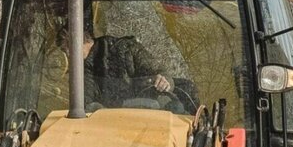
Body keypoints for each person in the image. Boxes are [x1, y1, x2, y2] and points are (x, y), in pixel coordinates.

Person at [60, 22, 198, 112]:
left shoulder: (124, 49)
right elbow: (85, 106)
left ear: (76, 43)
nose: (67, 58)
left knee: (177, 108)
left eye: (66, 51)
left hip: (149, 118)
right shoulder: (82, 71)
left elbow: (157, 71)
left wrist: (164, 80)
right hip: (106, 129)